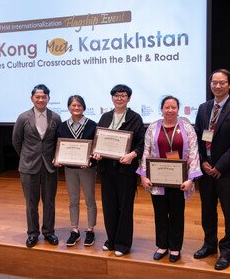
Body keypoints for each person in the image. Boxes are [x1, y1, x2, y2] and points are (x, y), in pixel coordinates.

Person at [193, 69, 230, 270]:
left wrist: (219, 166)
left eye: (222, 83)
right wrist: (202, 162)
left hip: (227, 172)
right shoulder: (203, 107)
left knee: (229, 213)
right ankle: (209, 245)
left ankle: (227, 252)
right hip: (206, 170)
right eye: (214, 82)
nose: (217, 86)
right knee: (207, 210)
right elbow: (198, 137)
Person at [137, 96, 202, 262]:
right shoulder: (152, 127)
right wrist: (143, 175)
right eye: (167, 107)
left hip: (180, 181)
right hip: (157, 180)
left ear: (178, 109)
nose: (170, 110)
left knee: (176, 214)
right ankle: (162, 245)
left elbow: (194, 153)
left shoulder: (187, 127)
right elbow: (146, 151)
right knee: (159, 213)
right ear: (162, 109)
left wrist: (191, 179)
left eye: (174, 107)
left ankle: (175, 248)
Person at [93, 84, 145, 257]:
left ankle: (123, 244)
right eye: (116, 95)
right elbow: (97, 140)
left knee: (125, 207)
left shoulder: (135, 118)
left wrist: (132, 155)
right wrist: (97, 152)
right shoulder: (105, 117)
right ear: (112, 98)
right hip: (107, 169)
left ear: (128, 98)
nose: (119, 98)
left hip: (125, 170)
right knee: (109, 206)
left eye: (123, 95)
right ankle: (111, 240)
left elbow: (141, 144)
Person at [12, 84, 62, 248]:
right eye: (37, 97)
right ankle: (32, 234)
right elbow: (16, 141)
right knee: (31, 203)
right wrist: (27, 156)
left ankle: (49, 232)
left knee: (49, 202)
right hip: (28, 167)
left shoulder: (55, 117)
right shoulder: (23, 118)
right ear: (32, 98)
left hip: (49, 167)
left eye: (44, 97)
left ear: (48, 98)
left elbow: (58, 142)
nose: (41, 99)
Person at [54, 95, 98, 247]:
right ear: (69, 108)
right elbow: (58, 146)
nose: (76, 108)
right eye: (73, 105)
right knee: (73, 199)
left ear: (84, 107)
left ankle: (90, 229)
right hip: (69, 168)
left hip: (87, 168)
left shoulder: (93, 125)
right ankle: (74, 230)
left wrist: (91, 160)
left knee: (89, 199)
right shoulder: (63, 126)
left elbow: (96, 148)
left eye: (79, 105)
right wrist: (57, 158)